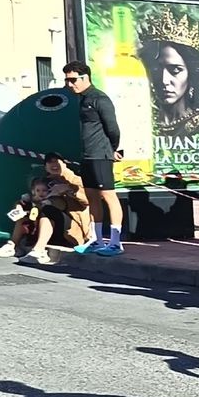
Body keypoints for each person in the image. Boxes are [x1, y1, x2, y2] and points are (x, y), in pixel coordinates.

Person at [63, 61, 126, 257]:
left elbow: (113, 128)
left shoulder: (100, 98)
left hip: (101, 155)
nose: (69, 84)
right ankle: (96, 240)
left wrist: (112, 149)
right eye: (67, 80)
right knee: (92, 197)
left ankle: (115, 242)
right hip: (87, 156)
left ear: (85, 77)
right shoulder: (82, 99)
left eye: (73, 80)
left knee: (108, 196)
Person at [0, 155, 90, 265]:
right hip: (42, 226)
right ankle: (12, 245)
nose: (54, 165)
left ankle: (39, 250)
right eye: (50, 162)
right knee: (26, 213)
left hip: (69, 228)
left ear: (64, 164)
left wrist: (68, 189)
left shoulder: (76, 180)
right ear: (45, 167)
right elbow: (30, 199)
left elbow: (87, 201)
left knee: (48, 211)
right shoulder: (44, 181)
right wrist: (19, 207)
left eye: (57, 161)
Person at [138, 8, 199, 141]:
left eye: (175, 70)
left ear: (191, 73)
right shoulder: (141, 122)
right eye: (156, 70)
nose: (164, 80)